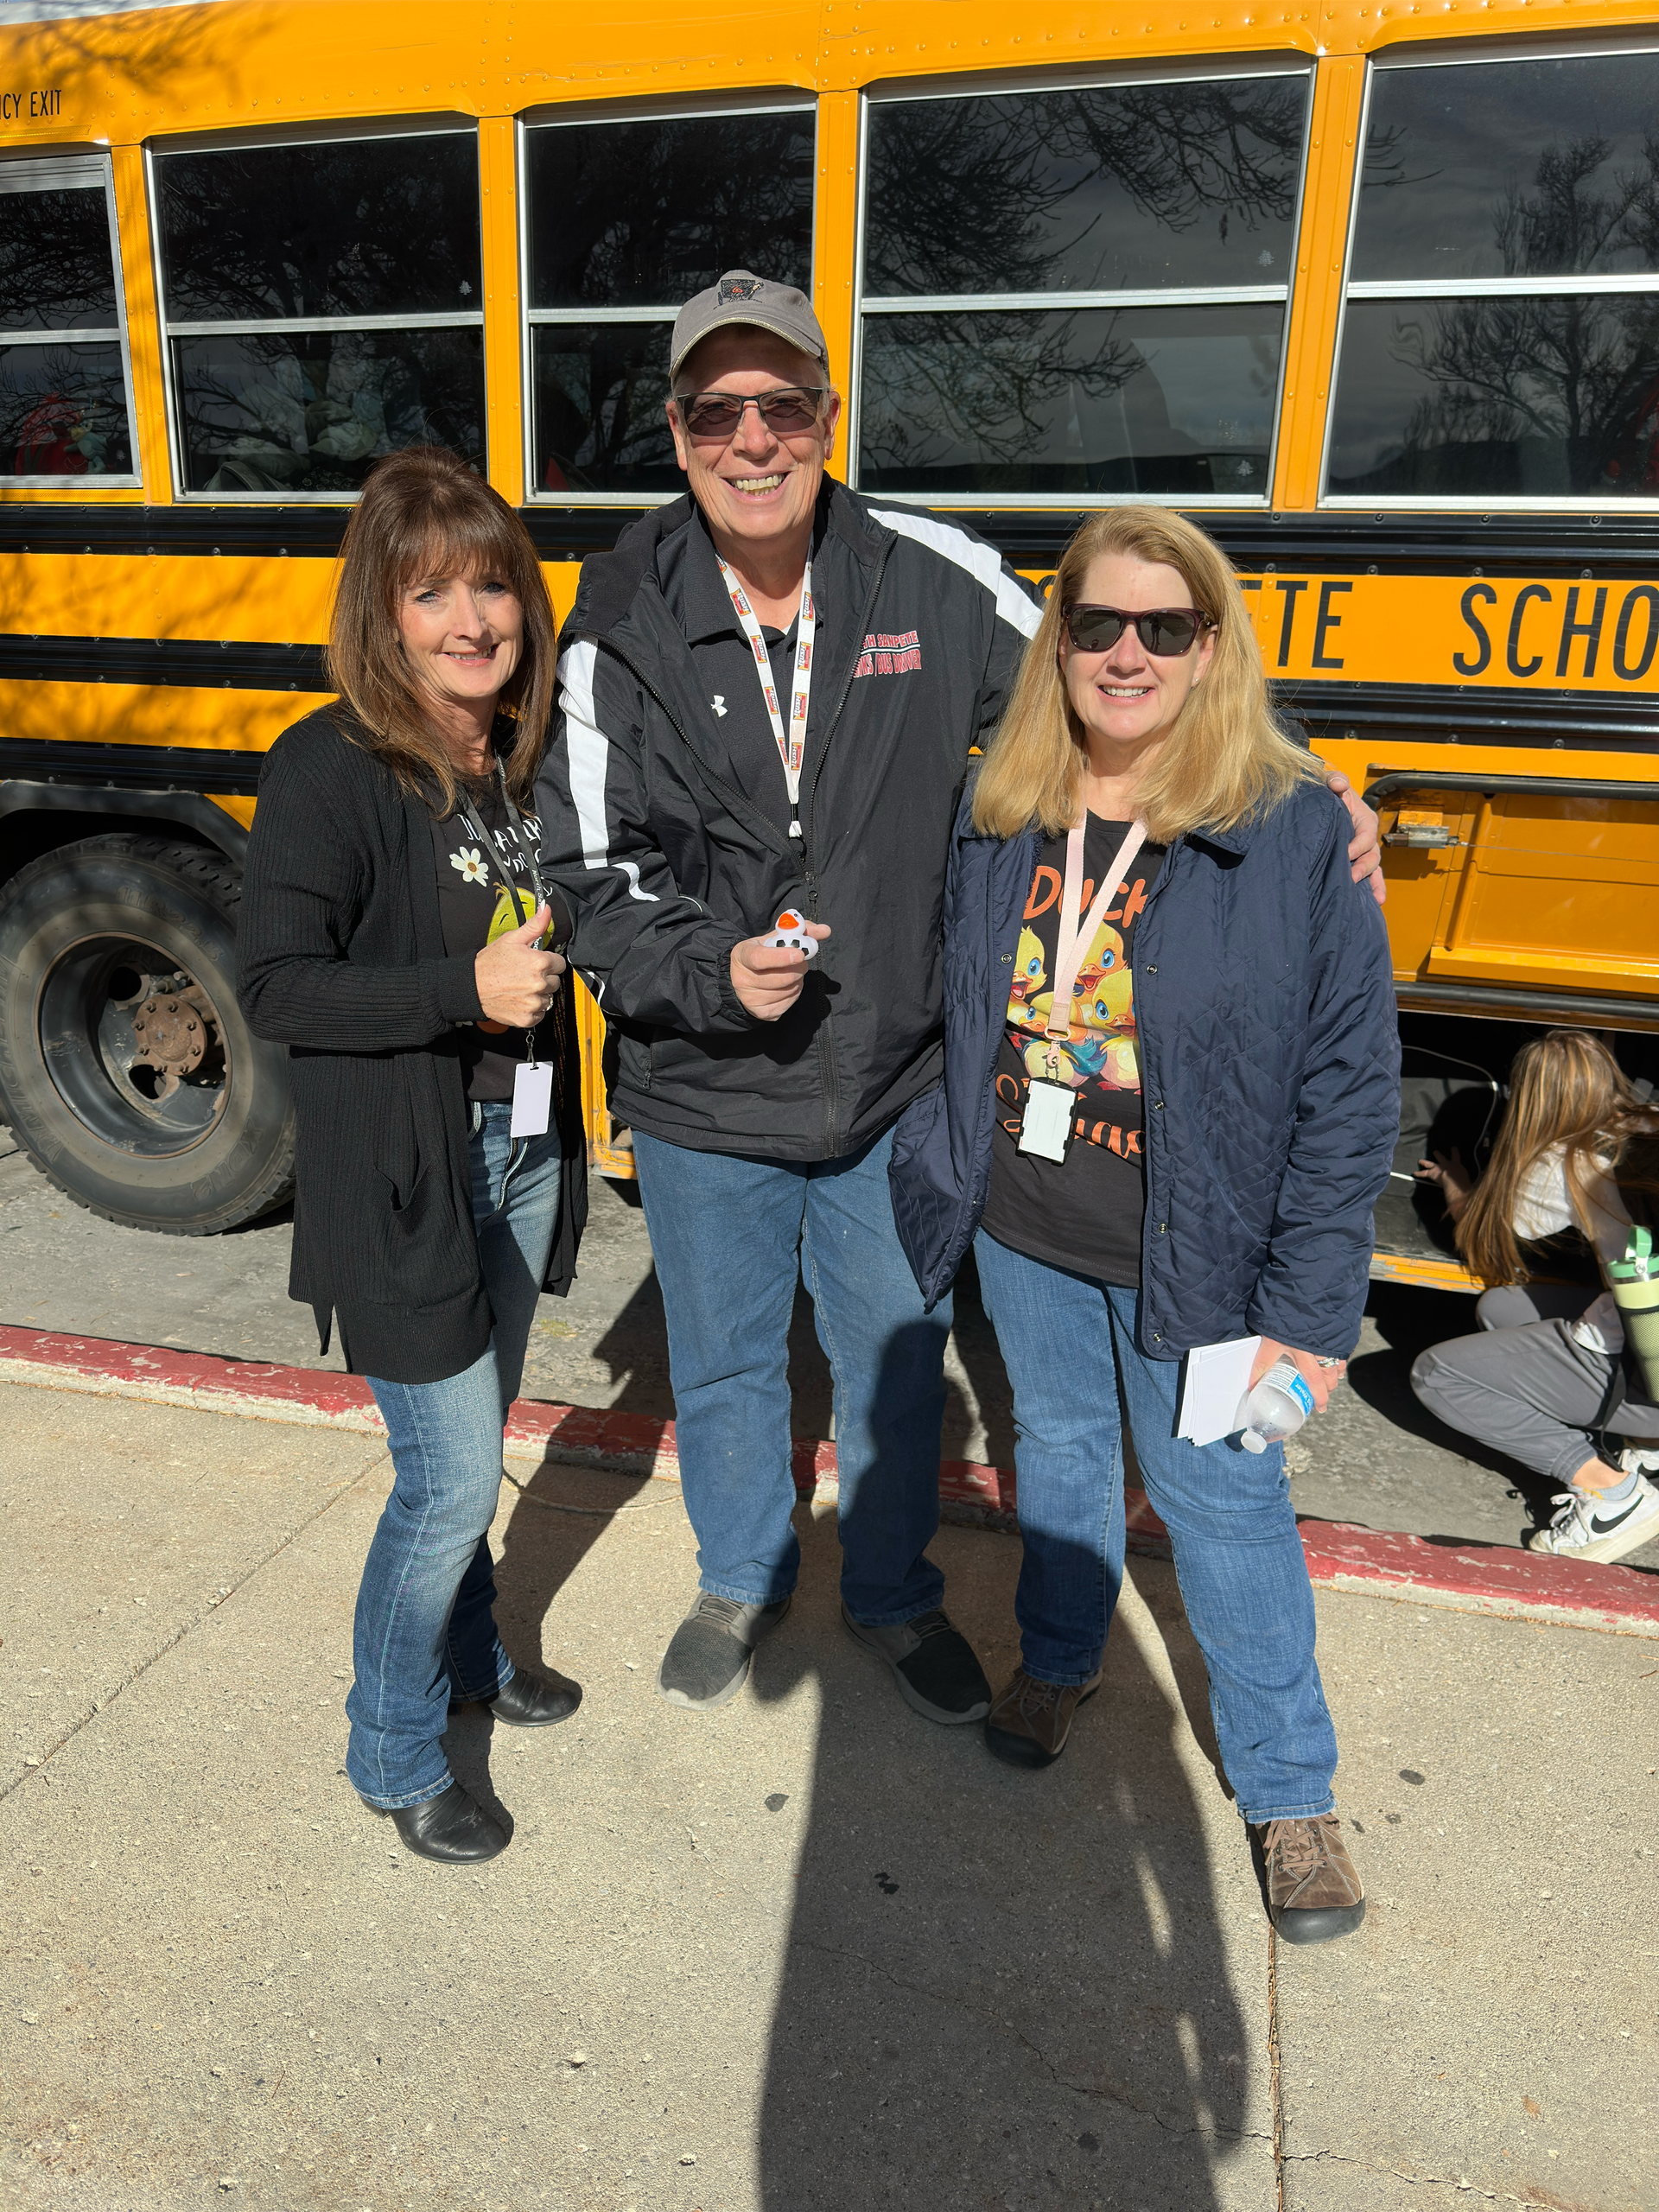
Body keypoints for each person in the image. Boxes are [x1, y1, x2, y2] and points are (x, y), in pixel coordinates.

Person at [537, 270, 1385, 1725]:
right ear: (676, 436)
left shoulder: (929, 575)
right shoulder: (615, 622)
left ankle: (886, 1594)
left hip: (889, 1085)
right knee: (731, 1365)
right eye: (716, 411)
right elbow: (589, 880)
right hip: (702, 1089)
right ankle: (739, 1576)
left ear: (826, 416)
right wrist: (706, 973)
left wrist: (1296, 780)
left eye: (783, 405)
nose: (753, 439)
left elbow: (1126, 677)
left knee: (891, 1367)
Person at [887, 504, 1399, 1946]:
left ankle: (1291, 1796)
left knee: (1224, 1506)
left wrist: (1312, 1315)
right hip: (1030, 1225)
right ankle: (1060, 1661)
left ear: (1208, 647)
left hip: (1209, 1260)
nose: (1125, 653)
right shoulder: (1003, 809)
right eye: (1096, 623)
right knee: (1054, 1447)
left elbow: (1350, 1093)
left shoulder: (1291, 832)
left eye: (1161, 628)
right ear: (1057, 642)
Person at [239, 447, 588, 1866]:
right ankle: (391, 1750)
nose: (470, 619)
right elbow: (274, 989)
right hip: (404, 1177)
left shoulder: (509, 757)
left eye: (490, 583)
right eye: (431, 591)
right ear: (382, 616)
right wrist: (463, 997)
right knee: (442, 1481)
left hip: (517, 1154)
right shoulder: (329, 767)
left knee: (475, 1451)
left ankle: (475, 1657)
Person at [1410, 1031, 1659, 1565]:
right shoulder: (1648, 1125)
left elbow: (1487, 1234)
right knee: (1501, 1308)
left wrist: (1457, 1182)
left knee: (1437, 1375)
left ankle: (1614, 1495)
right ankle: (1650, 1448)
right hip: (1650, 1341)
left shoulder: (1564, 1161)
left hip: (1647, 1360)